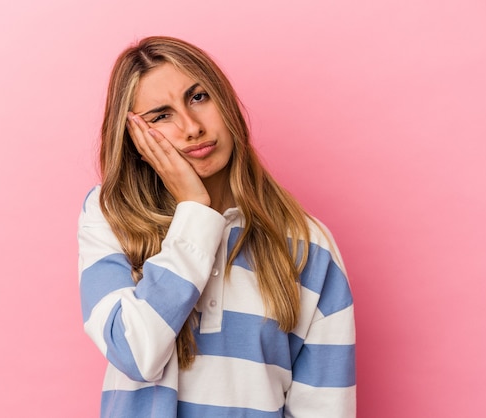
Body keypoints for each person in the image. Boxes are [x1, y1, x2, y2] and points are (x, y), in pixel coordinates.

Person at [78, 36, 356, 418]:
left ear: (225, 103)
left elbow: (325, 406)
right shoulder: (110, 216)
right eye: (161, 115)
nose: (191, 127)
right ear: (135, 141)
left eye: (199, 97)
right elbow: (134, 354)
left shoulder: (308, 244)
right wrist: (195, 213)